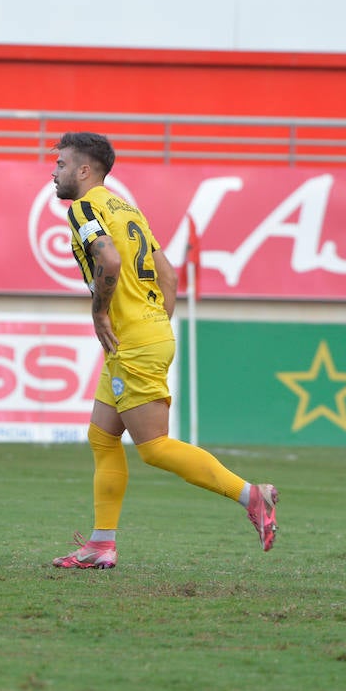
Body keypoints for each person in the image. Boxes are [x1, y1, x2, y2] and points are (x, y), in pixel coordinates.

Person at [49, 131, 278, 570]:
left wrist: (102, 313)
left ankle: (252, 495)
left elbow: (109, 261)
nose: (53, 172)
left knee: (153, 447)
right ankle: (100, 545)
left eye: (60, 165)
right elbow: (168, 275)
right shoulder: (125, 207)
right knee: (102, 436)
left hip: (131, 339)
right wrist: (154, 323)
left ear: (83, 170)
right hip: (143, 334)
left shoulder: (84, 208)